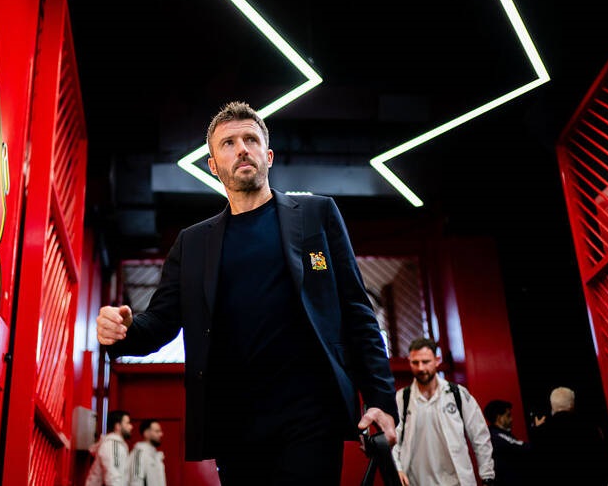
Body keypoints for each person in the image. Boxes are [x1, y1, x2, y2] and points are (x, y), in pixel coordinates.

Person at [97, 101, 398, 486]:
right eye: (229, 143)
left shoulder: (317, 215)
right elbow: (160, 323)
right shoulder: (193, 244)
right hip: (234, 425)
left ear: (267, 156)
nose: (241, 149)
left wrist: (381, 400)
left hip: (311, 416)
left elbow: (357, 312)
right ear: (213, 165)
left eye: (251, 140)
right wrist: (122, 331)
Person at [392, 337, 495, 486]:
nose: (420, 368)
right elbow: (393, 440)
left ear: (437, 360)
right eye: (415, 362)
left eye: (425, 362)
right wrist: (397, 468)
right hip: (416, 481)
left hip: (457, 482)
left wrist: (487, 477)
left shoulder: (457, 394)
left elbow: (480, 437)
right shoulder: (402, 398)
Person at [529, 386, 608, 486]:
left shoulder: (541, 432)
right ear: (572, 405)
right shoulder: (590, 427)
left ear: (552, 406)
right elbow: (603, 463)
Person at [483, 399, 533, 485]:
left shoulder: (500, 434)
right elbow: (522, 448)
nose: (511, 419)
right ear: (499, 418)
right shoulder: (496, 435)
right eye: (508, 415)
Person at [85, 410, 133, 486]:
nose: (131, 427)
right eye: (127, 423)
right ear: (118, 426)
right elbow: (113, 479)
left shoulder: (116, 445)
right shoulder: (113, 446)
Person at [127, 418, 166, 486]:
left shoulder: (155, 455)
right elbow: (136, 482)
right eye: (157, 431)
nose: (161, 434)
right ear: (146, 433)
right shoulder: (138, 454)